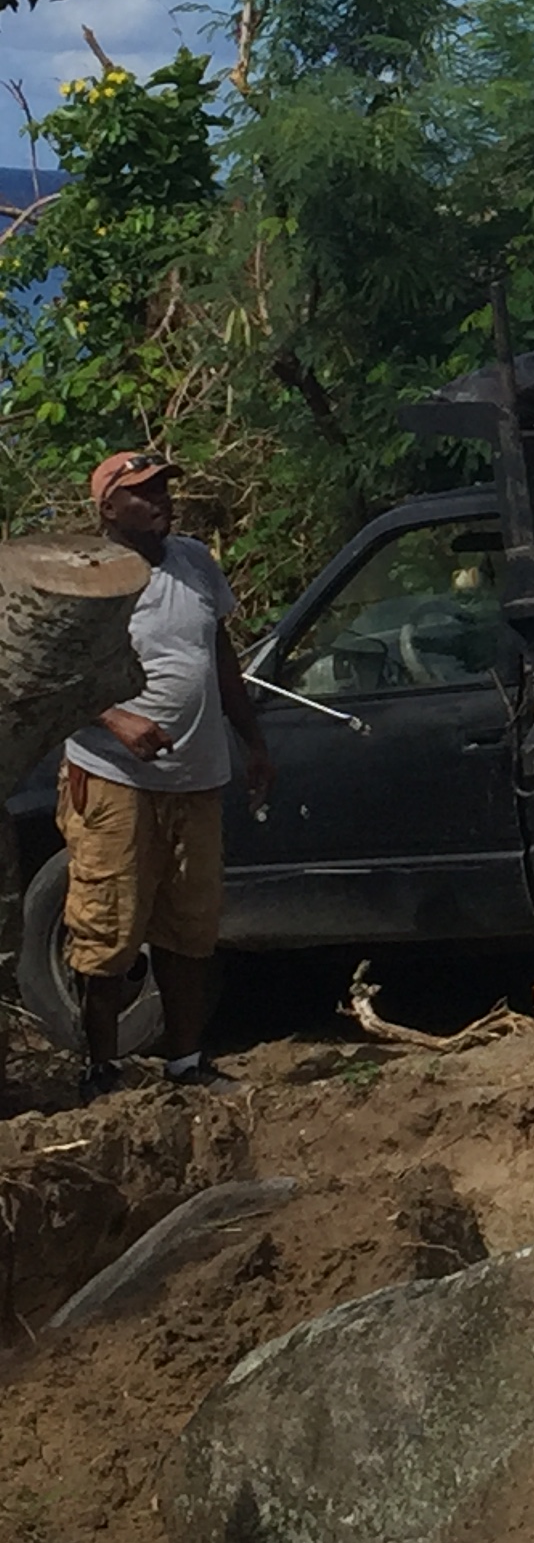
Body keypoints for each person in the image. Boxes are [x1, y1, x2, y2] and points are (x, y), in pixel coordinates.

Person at [58, 450, 273, 1098]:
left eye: (163, 490)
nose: (161, 501)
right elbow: (56, 676)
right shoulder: (88, 577)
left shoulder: (194, 562)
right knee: (109, 930)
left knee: (189, 928)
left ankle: (186, 1063)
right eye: (144, 493)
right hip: (114, 779)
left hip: (196, 778)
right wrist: (116, 720)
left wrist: (253, 741)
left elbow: (220, 654)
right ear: (108, 508)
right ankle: (101, 1068)